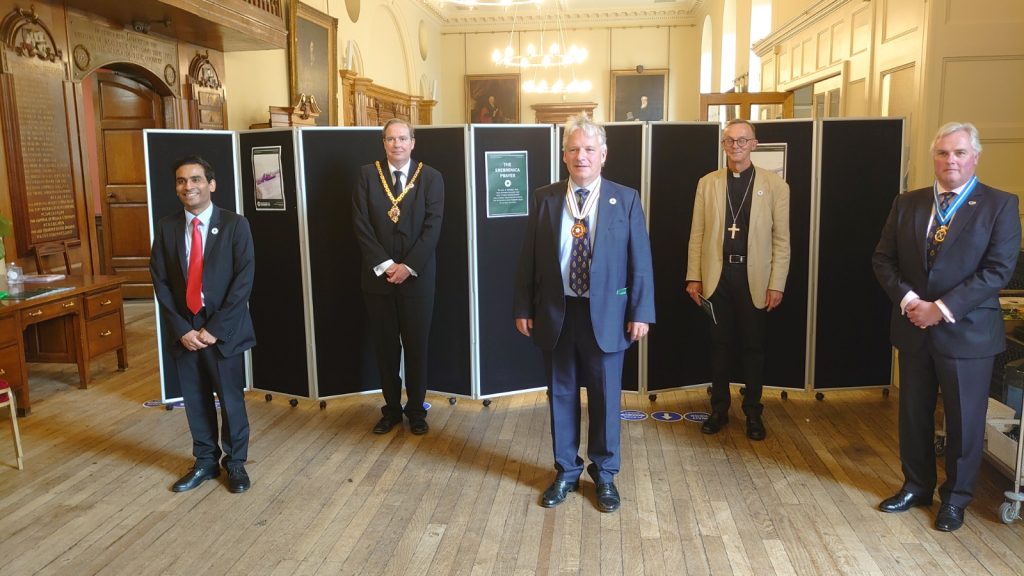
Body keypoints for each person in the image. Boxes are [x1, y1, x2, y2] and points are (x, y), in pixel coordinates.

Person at [872, 122, 1020, 532]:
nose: (950, 160)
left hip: (967, 333)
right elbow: (883, 259)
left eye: (959, 153)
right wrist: (910, 302)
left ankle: (955, 499)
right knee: (914, 416)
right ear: (933, 158)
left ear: (974, 157)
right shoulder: (908, 203)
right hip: (913, 326)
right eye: (942, 153)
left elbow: (998, 271)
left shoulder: (1000, 205)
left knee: (964, 422)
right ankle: (916, 486)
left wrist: (941, 308)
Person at [513, 114, 655, 512]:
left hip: (608, 316)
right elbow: (529, 259)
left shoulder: (624, 199)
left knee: (606, 397)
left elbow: (639, 260)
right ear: (564, 155)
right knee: (560, 394)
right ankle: (566, 470)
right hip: (557, 314)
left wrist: (640, 311)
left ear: (603, 155)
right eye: (574, 149)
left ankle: (605, 475)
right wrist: (523, 306)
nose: (582, 156)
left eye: (589, 149)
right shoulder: (545, 197)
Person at [150, 155, 256, 494]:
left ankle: (235, 463)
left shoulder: (235, 225)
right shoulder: (166, 228)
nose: (188, 186)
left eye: (195, 179)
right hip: (186, 331)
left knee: (230, 400)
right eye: (181, 181)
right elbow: (161, 281)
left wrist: (215, 327)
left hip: (221, 330)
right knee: (195, 400)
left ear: (211, 184)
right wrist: (182, 328)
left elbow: (243, 281)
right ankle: (206, 462)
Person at [685, 118, 790, 440]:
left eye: (742, 141)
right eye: (730, 141)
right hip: (718, 276)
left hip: (754, 277)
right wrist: (694, 277)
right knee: (719, 346)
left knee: (753, 348)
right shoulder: (708, 183)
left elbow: (781, 240)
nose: (736, 146)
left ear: (754, 145)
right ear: (723, 145)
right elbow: (698, 234)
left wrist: (777, 283)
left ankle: (753, 413)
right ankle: (719, 409)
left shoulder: (775, 186)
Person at [352, 118, 444, 436]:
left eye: (403, 138)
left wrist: (407, 267)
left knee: (416, 347)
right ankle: (391, 409)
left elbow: (433, 228)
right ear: (384, 143)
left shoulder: (431, 178)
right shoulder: (367, 175)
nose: (397, 144)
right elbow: (360, 224)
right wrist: (386, 264)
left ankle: (416, 410)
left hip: (417, 280)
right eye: (391, 139)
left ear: (413, 142)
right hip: (378, 280)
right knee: (386, 348)